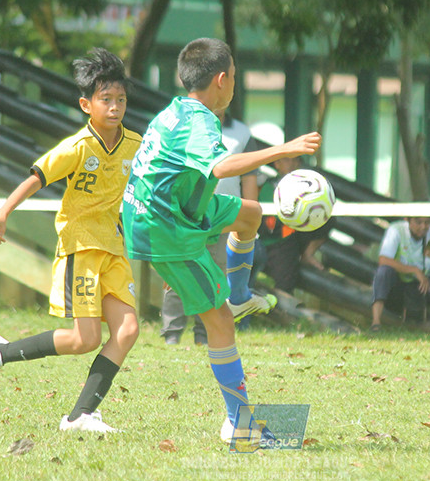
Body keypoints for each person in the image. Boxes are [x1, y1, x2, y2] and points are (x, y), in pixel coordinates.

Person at [121, 37, 320, 442]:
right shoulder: (200, 120)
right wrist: (282, 149)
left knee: (250, 214)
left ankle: (240, 292)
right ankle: (239, 424)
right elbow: (222, 166)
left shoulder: (176, 110)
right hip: (165, 228)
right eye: (236, 78)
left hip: (179, 208)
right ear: (223, 79)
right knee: (219, 322)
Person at [0, 48, 141, 434]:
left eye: (120, 100)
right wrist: (3, 212)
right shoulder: (78, 147)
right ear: (85, 104)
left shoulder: (134, 146)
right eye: (105, 99)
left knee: (126, 331)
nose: (114, 107)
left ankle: (81, 416)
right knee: (84, 339)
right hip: (81, 247)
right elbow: (37, 176)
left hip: (114, 248)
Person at [161, 111, 260, 346]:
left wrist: (250, 225)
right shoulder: (183, 126)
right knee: (177, 277)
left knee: (215, 276)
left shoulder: (242, 133)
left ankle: (203, 336)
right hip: (186, 216)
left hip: (223, 217)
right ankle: (171, 335)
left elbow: (249, 179)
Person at [256, 156, 331, 295]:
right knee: (284, 280)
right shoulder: (270, 186)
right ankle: (281, 310)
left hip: (296, 232)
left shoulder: (307, 187)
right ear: (277, 164)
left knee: (327, 218)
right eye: (287, 160)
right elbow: (270, 224)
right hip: (276, 240)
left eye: (295, 160)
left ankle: (308, 255)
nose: (291, 164)